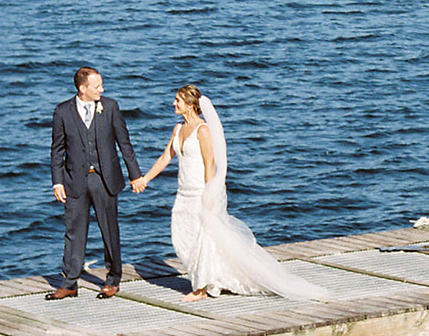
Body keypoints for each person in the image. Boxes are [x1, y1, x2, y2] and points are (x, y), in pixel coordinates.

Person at [132, 85, 330, 302]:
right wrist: (144, 179)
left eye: (178, 100)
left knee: (202, 241)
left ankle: (199, 289)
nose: (173, 103)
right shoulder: (178, 129)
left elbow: (210, 165)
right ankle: (211, 279)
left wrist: (210, 196)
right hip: (183, 194)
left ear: (190, 105)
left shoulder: (203, 130)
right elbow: (165, 158)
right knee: (182, 237)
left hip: (200, 193)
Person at [49, 66, 142, 300]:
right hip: (74, 181)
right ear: (83, 89)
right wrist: (57, 182)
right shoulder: (62, 111)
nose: (102, 89)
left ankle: (113, 280)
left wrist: (135, 175)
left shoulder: (110, 107)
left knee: (110, 231)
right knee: (74, 232)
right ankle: (70, 282)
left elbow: (125, 143)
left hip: (105, 179)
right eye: (97, 86)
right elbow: (57, 150)